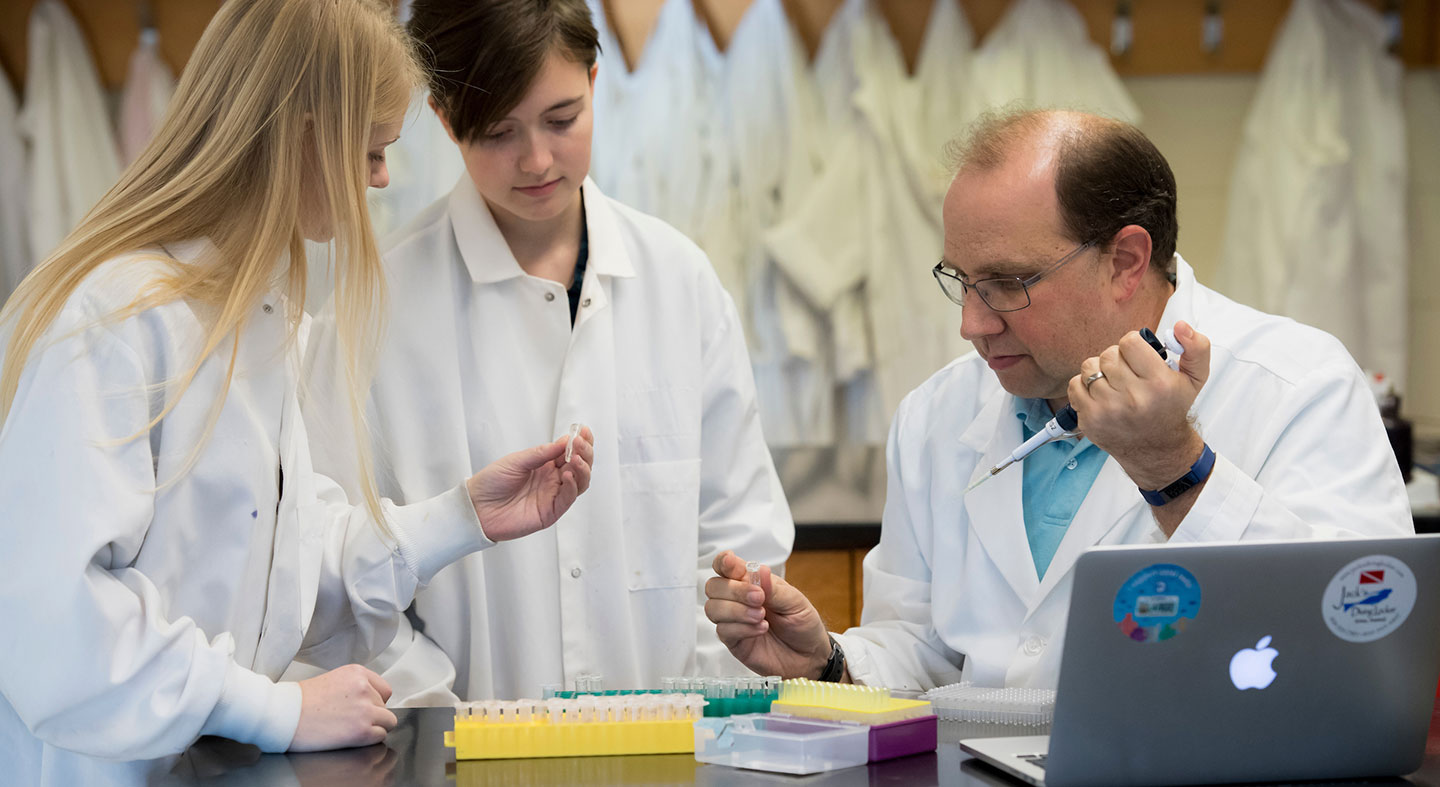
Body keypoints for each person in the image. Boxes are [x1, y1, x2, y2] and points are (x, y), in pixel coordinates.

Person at [0, 0, 594, 781]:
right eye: (372, 150)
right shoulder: (118, 319)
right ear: (304, 135)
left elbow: (291, 565)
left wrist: (462, 516)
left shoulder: (258, 316)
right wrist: (277, 711)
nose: (381, 179)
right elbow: (52, 625)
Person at [704, 109, 1413, 692]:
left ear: (1126, 261)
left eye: (1009, 283)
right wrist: (829, 663)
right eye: (961, 279)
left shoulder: (1298, 387)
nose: (971, 324)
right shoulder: (937, 414)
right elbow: (924, 647)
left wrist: (1175, 468)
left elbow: (1358, 657)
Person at [299, 0, 794, 703]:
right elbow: (339, 573)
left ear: (595, 81)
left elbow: (741, 533)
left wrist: (697, 708)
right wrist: (444, 720)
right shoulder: (370, 311)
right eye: (499, 132)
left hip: (676, 746)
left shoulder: (679, 283)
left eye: (562, 120)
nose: (536, 160)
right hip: (458, 754)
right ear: (444, 120)